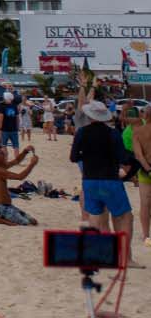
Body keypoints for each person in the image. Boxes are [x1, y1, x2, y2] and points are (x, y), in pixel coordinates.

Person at [71, 100, 138, 266]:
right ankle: (126, 258)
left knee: (95, 218)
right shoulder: (113, 133)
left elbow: (73, 157)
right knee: (125, 217)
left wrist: (86, 157)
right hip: (110, 180)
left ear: (90, 115)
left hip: (89, 180)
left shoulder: (81, 132)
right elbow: (123, 158)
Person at [0, 142, 40, 227]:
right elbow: (20, 177)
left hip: (7, 206)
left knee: (33, 221)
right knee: (25, 223)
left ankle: (0, 219)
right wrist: (32, 164)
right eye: (1, 153)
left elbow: (16, 161)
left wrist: (25, 151)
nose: (4, 154)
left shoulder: (1, 166)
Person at [132, 109, 151, 245]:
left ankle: (146, 235)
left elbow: (138, 155)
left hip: (146, 169)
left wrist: (148, 169)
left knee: (145, 203)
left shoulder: (138, 132)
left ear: (146, 116)